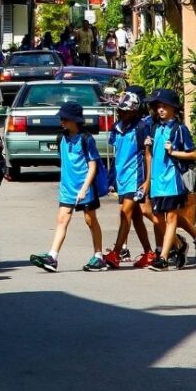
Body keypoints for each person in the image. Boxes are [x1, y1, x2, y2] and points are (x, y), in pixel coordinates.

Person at [29, 101, 110, 272]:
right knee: (62, 220)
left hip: (85, 188)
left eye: (65, 119)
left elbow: (93, 166)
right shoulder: (61, 138)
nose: (62, 121)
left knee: (90, 220)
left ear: (75, 120)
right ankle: (52, 257)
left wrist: (84, 188)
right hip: (67, 187)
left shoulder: (86, 139)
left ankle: (98, 256)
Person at [144, 88, 196, 271]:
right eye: (158, 107)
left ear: (173, 108)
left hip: (173, 180)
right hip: (157, 181)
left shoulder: (180, 129)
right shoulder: (154, 128)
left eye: (164, 106)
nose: (161, 110)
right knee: (157, 219)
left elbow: (193, 154)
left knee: (171, 218)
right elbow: (150, 156)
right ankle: (180, 245)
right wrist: (148, 179)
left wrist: (173, 152)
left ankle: (163, 259)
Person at [106, 90, 155, 269]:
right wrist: (112, 179)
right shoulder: (116, 128)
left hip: (136, 176)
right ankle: (150, 252)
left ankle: (116, 253)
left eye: (125, 111)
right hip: (122, 177)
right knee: (136, 217)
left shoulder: (141, 128)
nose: (121, 113)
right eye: (120, 110)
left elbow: (148, 155)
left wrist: (147, 180)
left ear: (134, 112)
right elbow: (117, 154)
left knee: (125, 212)